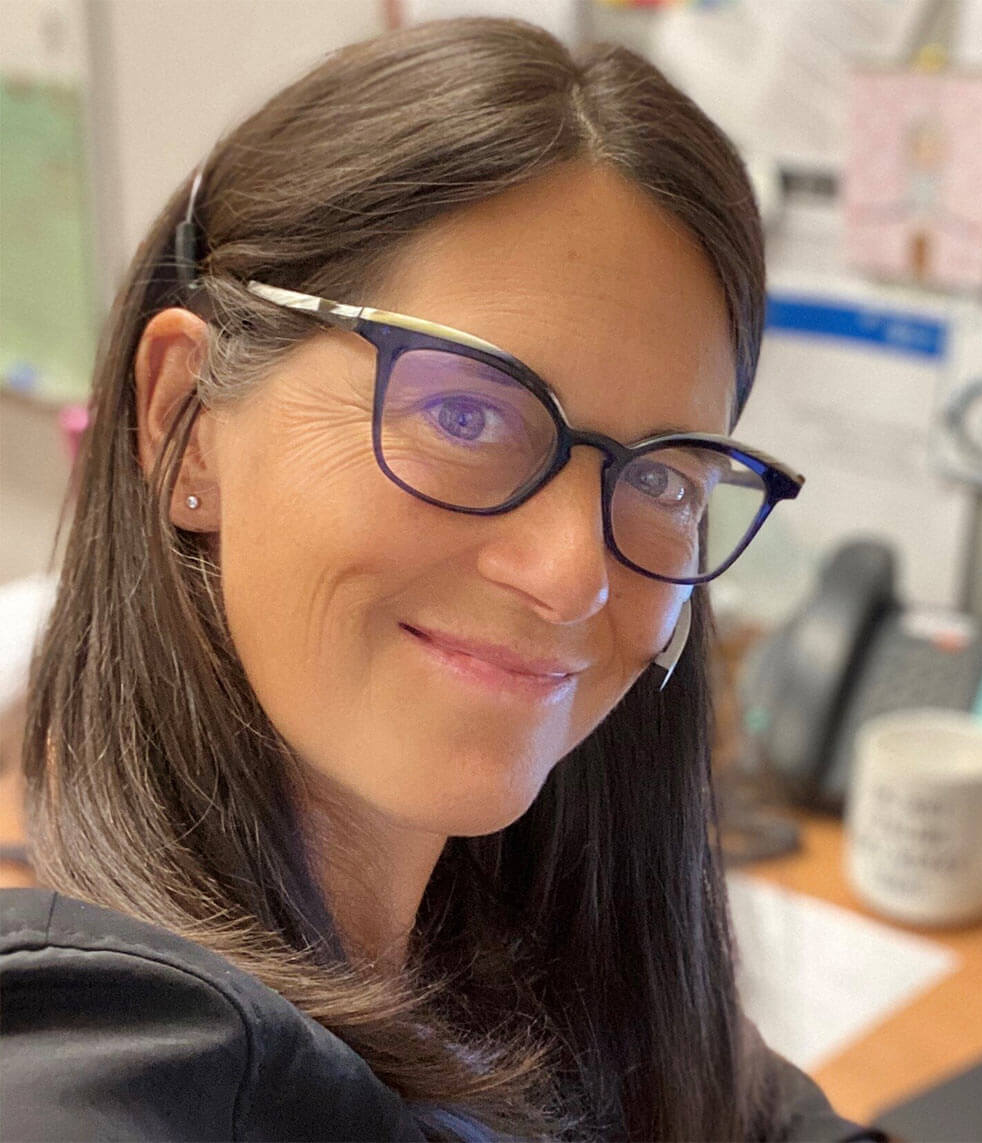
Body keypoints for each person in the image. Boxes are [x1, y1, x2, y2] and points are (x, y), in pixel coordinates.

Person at [0, 19, 871, 1141]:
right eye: (464, 415)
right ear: (187, 416)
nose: (572, 581)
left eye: (663, 481)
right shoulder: (115, 1045)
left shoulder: (524, 936)